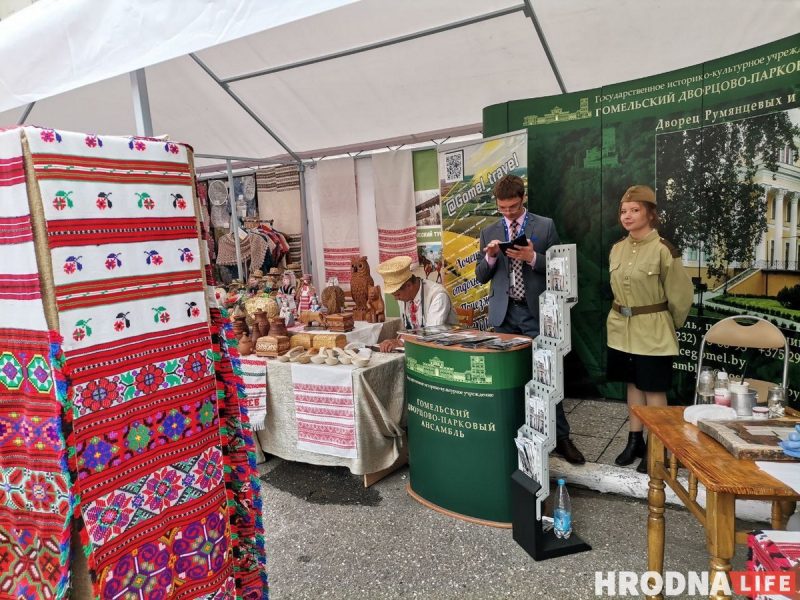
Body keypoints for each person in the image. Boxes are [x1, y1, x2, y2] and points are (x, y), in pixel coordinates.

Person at [475, 174, 585, 465]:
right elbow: (480, 276)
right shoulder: (489, 232)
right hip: (503, 314)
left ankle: (561, 437)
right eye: (502, 208)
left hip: (536, 312)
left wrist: (532, 257)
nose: (507, 212)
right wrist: (489, 259)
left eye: (512, 206)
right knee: (506, 377)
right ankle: (508, 431)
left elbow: (561, 268)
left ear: (522, 199)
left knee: (547, 376)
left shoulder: (544, 226)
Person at [607, 185, 693, 473]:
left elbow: (680, 298)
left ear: (650, 214)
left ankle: (658, 446)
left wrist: (668, 326)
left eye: (635, 210)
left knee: (654, 389)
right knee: (632, 384)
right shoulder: (617, 249)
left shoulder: (663, 251)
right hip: (621, 328)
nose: (627, 216)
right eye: (623, 211)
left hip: (653, 329)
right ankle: (635, 440)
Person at [376, 255, 457, 352]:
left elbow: (432, 334)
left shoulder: (438, 296)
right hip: (418, 349)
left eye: (397, 295)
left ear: (409, 286)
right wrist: (394, 341)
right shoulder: (404, 297)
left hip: (444, 351)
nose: (396, 299)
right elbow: (407, 328)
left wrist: (401, 342)